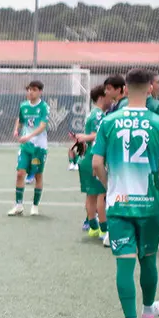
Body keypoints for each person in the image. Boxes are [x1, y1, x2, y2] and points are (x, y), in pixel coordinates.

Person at [91, 67, 159, 318]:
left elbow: (96, 164)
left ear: (125, 90)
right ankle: (149, 311)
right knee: (148, 259)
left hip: (118, 205)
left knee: (124, 265)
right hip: (150, 206)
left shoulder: (108, 121)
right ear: (151, 88)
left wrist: (111, 186)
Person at [71, 84, 114, 246]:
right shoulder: (98, 115)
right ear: (102, 97)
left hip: (86, 159)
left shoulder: (93, 114)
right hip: (94, 159)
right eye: (108, 96)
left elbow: (89, 135)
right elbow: (97, 135)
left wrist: (84, 137)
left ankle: (93, 227)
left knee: (91, 195)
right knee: (102, 195)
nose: (111, 99)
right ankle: (104, 229)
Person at [8, 80, 50, 216]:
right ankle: (18, 205)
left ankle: (35, 206)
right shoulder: (24, 105)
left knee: (38, 176)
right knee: (20, 173)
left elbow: (43, 125)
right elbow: (20, 119)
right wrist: (16, 130)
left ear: (40, 92)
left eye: (34, 90)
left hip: (39, 148)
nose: (30, 92)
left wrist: (29, 136)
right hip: (25, 146)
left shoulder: (44, 107)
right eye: (29, 89)